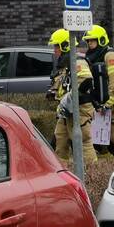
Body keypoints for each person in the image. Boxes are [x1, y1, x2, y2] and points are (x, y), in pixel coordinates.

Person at [48, 28, 97, 165]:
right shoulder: (66, 63)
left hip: (80, 110)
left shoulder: (77, 61)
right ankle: (63, 173)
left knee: (83, 143)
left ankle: (92, 174)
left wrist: (69, 100)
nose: (54, 50)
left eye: (56, 46)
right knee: (60, 141)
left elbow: (86, 81)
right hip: (66, 112)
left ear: (65, 46)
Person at [83, 25, 114, 163]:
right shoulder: (94, 56)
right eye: (88, 41)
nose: (89, 44)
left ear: (101, 40)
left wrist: (108, 103)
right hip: (101, 103)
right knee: (101, 139)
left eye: (92, 41)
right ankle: (105, 169)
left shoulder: (110, 56)